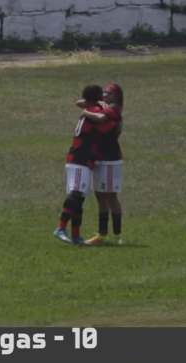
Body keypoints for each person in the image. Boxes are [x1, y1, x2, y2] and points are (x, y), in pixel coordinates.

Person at [53, 85, 104, 245]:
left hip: (80, 159)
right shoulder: (95, 110)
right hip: (80, 158)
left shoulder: (90, 107)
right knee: (75, 195)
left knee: (80, 197)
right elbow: (105, 118)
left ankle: (76, 235)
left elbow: (80, 103)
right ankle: (60, 228)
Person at [78, 84, 125, 245]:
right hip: (98, 156)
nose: (105, 94)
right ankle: (102, 234)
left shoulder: (114, 109)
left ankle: (118, 236)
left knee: (111, 197)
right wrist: (96, 103)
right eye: (104, 92)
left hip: (110, 158)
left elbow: (99, 119)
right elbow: (80, 101)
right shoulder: (102, 105)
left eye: (109, 93)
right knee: (99, 196)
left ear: (116, 97)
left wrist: (86, 112)